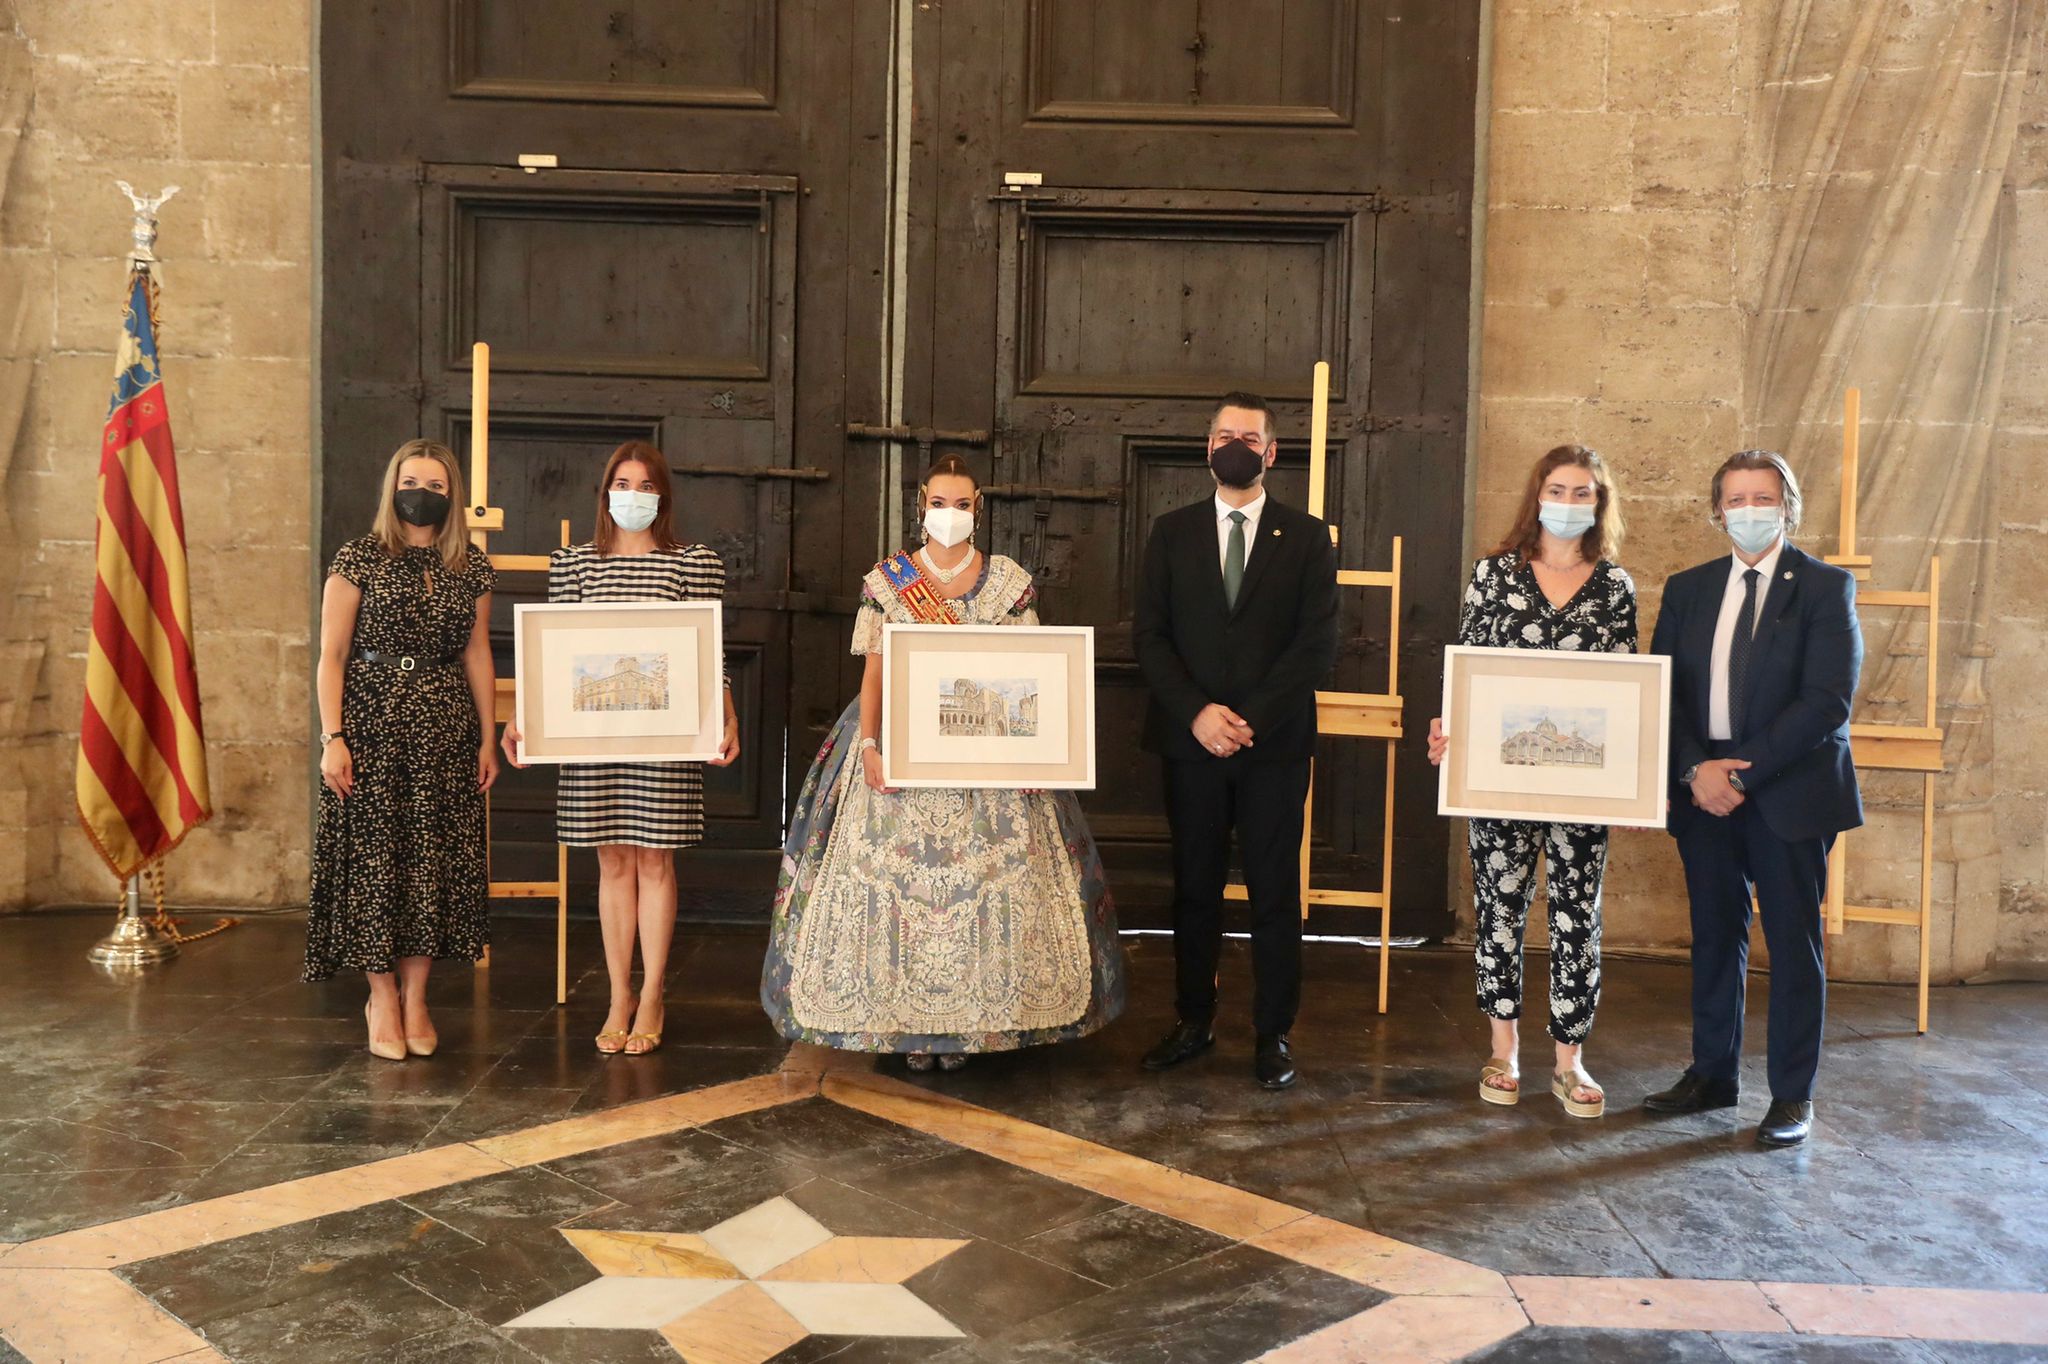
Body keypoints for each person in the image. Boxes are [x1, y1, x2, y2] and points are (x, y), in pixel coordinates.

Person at [761, 454, 1125, 1070]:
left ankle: (968, 1028)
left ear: (977, 507)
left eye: (961, 504)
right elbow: (874, 671)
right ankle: (905, 1030)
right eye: (938, 502)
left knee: (978, 885)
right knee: (903, 887)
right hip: (903, 747)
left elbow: (1027, 674)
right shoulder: (890, 580)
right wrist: (870, 744)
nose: (948, 514)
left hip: (987, 750)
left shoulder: (1008, 581)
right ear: (921, 504)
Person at [1645, 450, 1863, 1148]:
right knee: (1714, 935)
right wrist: (1695, 772)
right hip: (1701, 791)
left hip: (1787, 792)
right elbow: (1663, 691)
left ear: (1788, 506)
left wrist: (1740, 775)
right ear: (1717, 511)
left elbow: (1826, 701)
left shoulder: (1826, 588)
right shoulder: (1688, 588)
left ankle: (1792, 1096)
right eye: (1734, 499)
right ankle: (1713, 1074)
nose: (1747, 510)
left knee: (1794, 946)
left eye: (1761, 497)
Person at [501, 441, 739, 1055]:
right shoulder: (574, 564)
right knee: (610, 862)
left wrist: (726, 717)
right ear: (606, 491)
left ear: (662, 495)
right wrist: (524, 717)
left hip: (667, 737)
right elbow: (550, 656)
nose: (632, 494)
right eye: (622, 483)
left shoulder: (693, 562)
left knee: (656, 861)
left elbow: (710, 654)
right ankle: (618, 994)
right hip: (593, 737)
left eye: (644, 484)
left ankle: (653, 992)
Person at [1133, 392, 1338, 1090]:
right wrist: (1198, 714)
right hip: (1190, 744)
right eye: (1224, 435)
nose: (1236, 445)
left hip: (1273, 747)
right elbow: (1151, 638)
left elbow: (1316, 647)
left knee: (1274, 892)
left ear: (1271, 453)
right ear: (1208, 448)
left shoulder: (1307, 538)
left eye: (1249, 437)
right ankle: (1194, 1019)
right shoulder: (1171, 532)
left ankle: (1273, 1033)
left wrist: (1246, 718)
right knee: (1194, 889)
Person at [1426, 445, 1635, 1118]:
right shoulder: (1492, 577)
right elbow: (1463, 671)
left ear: (1600, 504)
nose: (1568, 503)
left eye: (1583, 493)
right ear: (1535, 495)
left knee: (1579, 916)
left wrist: (1632, 770)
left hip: (1582, 789)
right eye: (1557, 489)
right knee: (1500, 911)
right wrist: (1448, 733)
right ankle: (1503, 1048)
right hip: (1498, 782)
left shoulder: (1615, 587)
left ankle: (1571, 1060)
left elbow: (1630, 693)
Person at [309, 438, 499, 1060]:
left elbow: (476, 652)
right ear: (394, 486)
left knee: (430, 862)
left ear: (452, 497)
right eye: (414, 482)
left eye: (438, 487)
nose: (424, 494)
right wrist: (333, 738)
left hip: (443, 725)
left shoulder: (468, 565)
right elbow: (331, 656)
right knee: (374, 861)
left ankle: (417, 995)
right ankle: (380, 995)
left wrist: (487, 734)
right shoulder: (358, 557)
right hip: (370, 720)